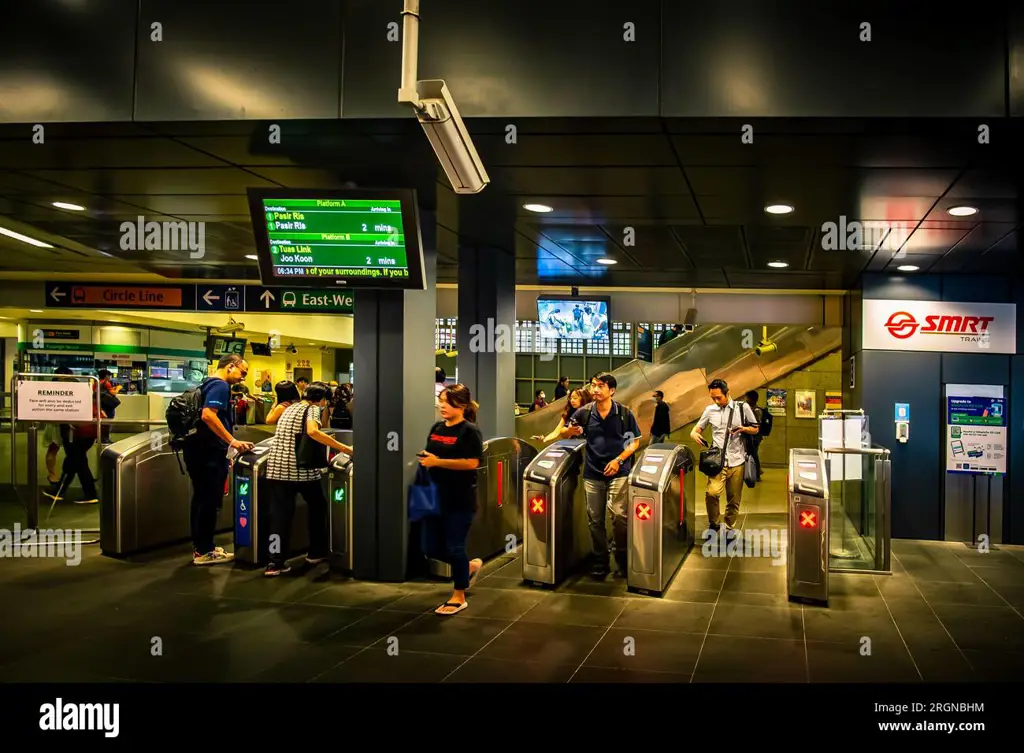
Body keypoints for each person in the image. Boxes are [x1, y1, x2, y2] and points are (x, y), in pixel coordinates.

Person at [264, 381, 352, 576]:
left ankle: (275, 562)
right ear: (320, 399)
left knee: (279, 517)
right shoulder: (312, 409)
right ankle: (316, 552)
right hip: (300, 470)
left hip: (277, 470)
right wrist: (344, 448)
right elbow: (312, 431)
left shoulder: (288, 408)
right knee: (318, 506)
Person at [561, 372, 641, 578]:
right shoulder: (584, 413)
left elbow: (635, 442)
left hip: (619, 471)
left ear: (612, 390)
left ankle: (622, 557)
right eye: (593, 385)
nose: (595, 389)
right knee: (595, 519)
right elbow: (565, 431)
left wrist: (619, 460)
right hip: (593, 473)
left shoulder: (624, 413)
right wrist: (573, 431)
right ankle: (600, 560)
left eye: (600, 386)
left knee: (618, 515)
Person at [418, 383, 485, 615]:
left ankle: (459, 594)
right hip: (434, 497)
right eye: (441, 400)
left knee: (455, 546)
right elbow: (432, 453)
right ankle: (468, 567)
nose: (442, 405)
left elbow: (472, 463)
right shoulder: (437, 427)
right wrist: (428, 459)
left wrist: (438, 462)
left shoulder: (469, 431)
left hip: (459, 498)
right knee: (430, 547)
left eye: (447, 402)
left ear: (462, 406)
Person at [184, 354, 253, 565]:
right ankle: (204, 550)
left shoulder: (206, 382)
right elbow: (208, 415)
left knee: (201, 499)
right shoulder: (221, 386)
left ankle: (202, 547)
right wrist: (232, 441)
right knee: (209, 500)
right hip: (210, 453)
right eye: (242, 372)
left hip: (196, 449)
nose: (242, 378)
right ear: (230, 366)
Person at [690, 378, 758, 533]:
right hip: (717, 461)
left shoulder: (743, 408)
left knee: (734, 499)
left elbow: (755, 429)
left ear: (728, 393)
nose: (716, 401)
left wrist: (743, 429)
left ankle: (729, 526)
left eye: (718, 397)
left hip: (738, 461)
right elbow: (697, 428)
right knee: (711, 493)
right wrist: (694, 433)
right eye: (713, 398)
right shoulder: (710, 410)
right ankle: (713, 524)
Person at [745, 390, 766, 481]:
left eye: (747, 398)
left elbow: (757, 425)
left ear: (752, 399)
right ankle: (757, 471)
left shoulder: (757, 410)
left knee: (754, 455)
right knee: (753, 454)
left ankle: (757, 473)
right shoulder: (752, 409)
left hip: (755, 437)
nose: (746, 400)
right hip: (752, 436)